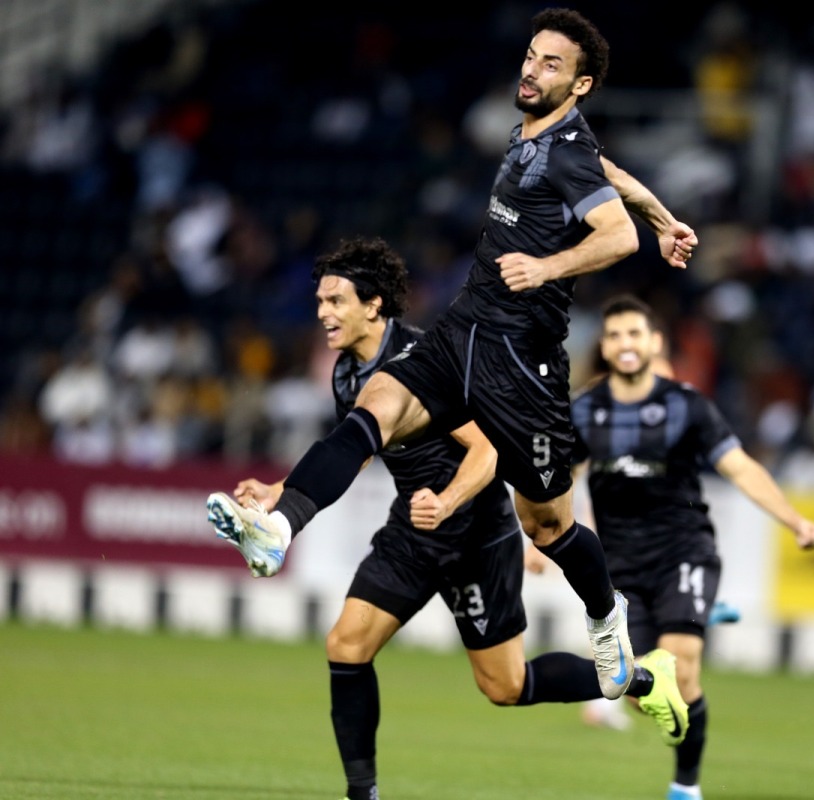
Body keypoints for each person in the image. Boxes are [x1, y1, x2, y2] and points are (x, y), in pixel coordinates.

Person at [205, 7, 698, 704]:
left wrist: (548, 268)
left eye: (552, 64)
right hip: (463, 329)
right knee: (375, 404)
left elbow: (614, 238)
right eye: (531, 55)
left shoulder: (566, 150)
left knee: (549, 526)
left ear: (581, 84)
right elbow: (612, 175)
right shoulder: (539, 134)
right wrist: (664, 214)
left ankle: (605, 614)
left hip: (524, 364)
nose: (531, 69)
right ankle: (280, 526)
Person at [217, 237, 690, 800]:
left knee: (505, 685)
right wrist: (280, 490)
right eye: (320, 302)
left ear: (373, 305)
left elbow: (489, 450)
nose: (322, 313)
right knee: (346, 645)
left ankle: (642, 676)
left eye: (335, 301)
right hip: (411, 530)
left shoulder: (428, 360)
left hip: (475, 533)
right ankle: (361, 794)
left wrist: (448, 500)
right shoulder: (347, 375)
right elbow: (356, 449)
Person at [528, 294, 814, 800]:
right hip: (619, 567)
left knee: (683, 666)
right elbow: (560, 480)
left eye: (635, 334)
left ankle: (685, 786)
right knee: (637, 690)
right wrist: (540, 541)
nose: (625, 343)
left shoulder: (687, 406)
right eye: (616, 334)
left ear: (655, 343)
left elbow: (741, 467)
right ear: (605, 345)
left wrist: (794, 520)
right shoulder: (585, 411)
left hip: (682, 553)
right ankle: (693, 628)